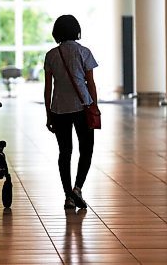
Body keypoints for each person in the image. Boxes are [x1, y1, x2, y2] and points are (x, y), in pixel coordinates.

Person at [44, 14, 99, 210]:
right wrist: (95, 106)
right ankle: (77, 188)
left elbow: (48, 87)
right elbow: (90, 83)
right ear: (76, 30)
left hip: (59, 108)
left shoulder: (51, 55)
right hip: (83, 106)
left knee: (64, 151)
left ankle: (68, 195)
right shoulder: (84, 52)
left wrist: (48, 112)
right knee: (86, 149)